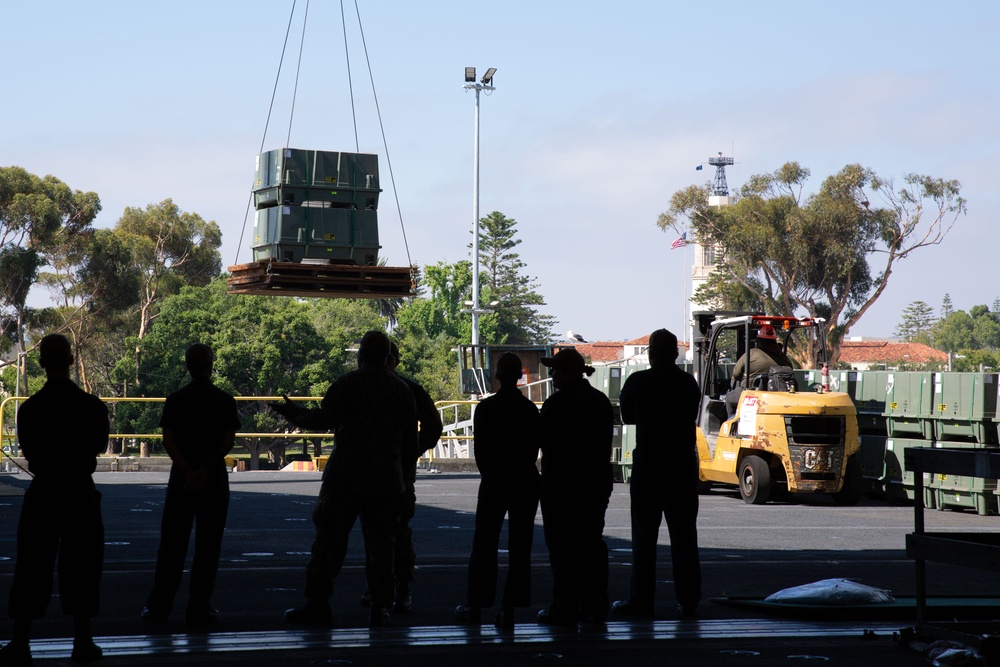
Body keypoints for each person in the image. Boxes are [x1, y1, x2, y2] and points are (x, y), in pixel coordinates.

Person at [273, 330, 417, 627]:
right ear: (387, 355)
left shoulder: (347, 384)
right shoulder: (402, 390)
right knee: (382, 544)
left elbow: (321, 420)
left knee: (329, 539)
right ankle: (380, 606)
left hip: (346, 475)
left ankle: (318, 603)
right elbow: (410, 445)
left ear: (362, 354)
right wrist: (405, 483)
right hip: (386, 478)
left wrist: (292, 412)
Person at [0, 334, 109, 665]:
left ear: (42, 362)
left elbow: (31, 454)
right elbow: (98, 448)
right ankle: (82, 640)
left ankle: (20, 642)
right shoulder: (91, 406)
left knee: (32, 565)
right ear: (72, 360)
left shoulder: (31, 409)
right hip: (79, 491)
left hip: (44, 492)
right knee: (83, 566)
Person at [141, 343, 241, 627]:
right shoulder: (224, 400)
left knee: (172, 545)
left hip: (181, 480)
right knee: (208, 547)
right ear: (211, 365)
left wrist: (187, 470)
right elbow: (227, 442)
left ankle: (159, 607)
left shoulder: (176, 399)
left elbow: (168, 441)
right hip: (213, 479)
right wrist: (204, 469)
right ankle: (199, 608)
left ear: (187, 365)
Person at [611, 329, 703, 619]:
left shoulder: (639, 382)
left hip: (649, 466)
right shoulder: (688, 383)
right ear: (675, 354)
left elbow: (626, 416)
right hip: (681, 468)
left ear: (650, 353)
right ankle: (688, 600)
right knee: (685, 537)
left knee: (644, 538)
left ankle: (641, 600)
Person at [455, 352, 540, 628]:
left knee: (484, 544)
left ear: (497, 376)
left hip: (494, 480)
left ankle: (476, 605)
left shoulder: (485, 409)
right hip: (524, 481)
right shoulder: (529, 410)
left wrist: (492, 475)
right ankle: (509, 608)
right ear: (519, 376)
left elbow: (481, 453)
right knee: (520, 546)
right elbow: (532, 450)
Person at [535, 348, 614, 627]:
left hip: (561, 485)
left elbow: (541, 440)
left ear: (566, 372)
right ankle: (595, 605)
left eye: (555, 369)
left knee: (562, 547)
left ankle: (564, 606)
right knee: (591, 543)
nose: (552, 374)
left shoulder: (556, 404)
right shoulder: (600, 401)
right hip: (594, 483)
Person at [361, 341, 442, 613]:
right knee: (395, 531)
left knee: (378, 532)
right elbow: (433, 426)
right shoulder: (409, 389)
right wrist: (411, 452)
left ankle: (385, 587)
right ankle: (395, 587)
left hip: (371, 470)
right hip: (398, 470)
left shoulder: (361, 385)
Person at [726, 324, 794, 417]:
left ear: (759, 340)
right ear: (774, 340)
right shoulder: (783, 357)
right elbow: (790, 370)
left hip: (751, 393)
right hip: (778, 395)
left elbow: (736, 374)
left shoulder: (751, 353)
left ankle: (732, 424)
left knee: (729, 398)